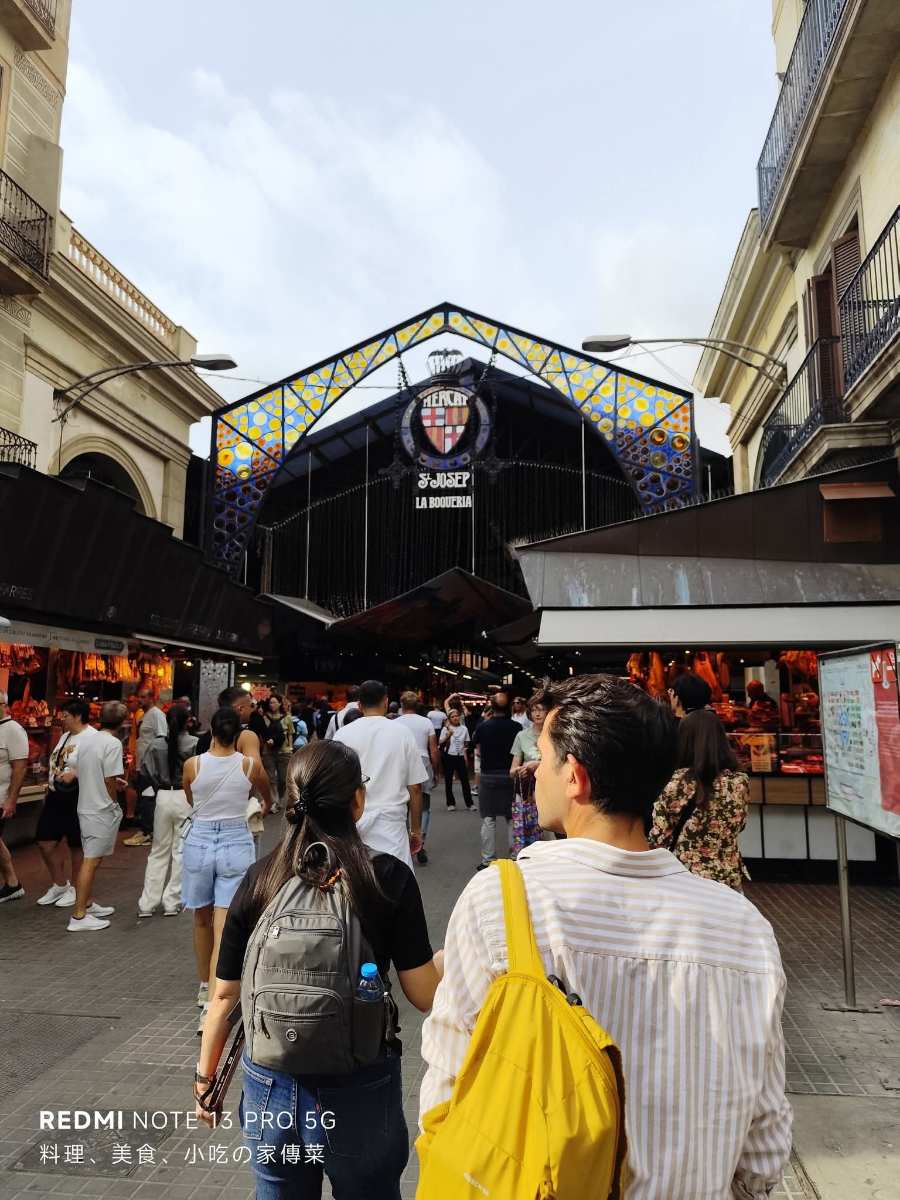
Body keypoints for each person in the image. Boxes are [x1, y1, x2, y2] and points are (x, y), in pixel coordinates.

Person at [420, 674, 792, 1198]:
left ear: (575, 776)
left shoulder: (502, 901)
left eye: (544, 758)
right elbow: (764, 1150)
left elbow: (447, 1086)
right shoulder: (745, 928)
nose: (536, 775)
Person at [195, 740, 441, 1196]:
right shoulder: (385, 876)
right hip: (360, 1082)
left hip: (271, 1080)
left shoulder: (260, 876)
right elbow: (424, 994)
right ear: (357, 800)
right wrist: (447, 960)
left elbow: (224, 996)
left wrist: (206, 1079)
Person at [182, 707, 271, 1032]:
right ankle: (213, 1003)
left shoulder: (193, 764)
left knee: (200, 917)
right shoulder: (249, 765)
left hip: (200, 840)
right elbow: (266, 794)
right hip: (236, 840)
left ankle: (205, 983)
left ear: (211, 732)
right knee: (225, 925)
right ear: (237, 735)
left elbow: (191, 797)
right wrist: (266, 804)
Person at [648, 707, 750, 892]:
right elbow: (740, 825)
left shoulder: (675, 783)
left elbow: (659, 837)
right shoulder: (739, 781)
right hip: (727, 879)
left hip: (684, 878)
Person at [334, 679, 426, 870]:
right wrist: (416, 830)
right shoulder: (402, 734)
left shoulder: (342, 735)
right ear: (386, 701)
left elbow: (334, 784)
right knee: (397, 883)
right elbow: (416, 788)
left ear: (359, 705)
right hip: (392, 826)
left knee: (357, 883)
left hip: (352, 824)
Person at [67, 700, 127, 931]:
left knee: (92, 858)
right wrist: (113, 800)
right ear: (122, 722)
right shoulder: (112, 743)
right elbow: (109, 778)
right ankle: (79, 915)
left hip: (87, 805)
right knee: (91, 860)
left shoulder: (88, 740)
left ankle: (87, 904)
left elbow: (87, 770)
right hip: (100, 808)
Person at [136, 704, 199, 917]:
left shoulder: (155, 745)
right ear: (186, 721)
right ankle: (172, 901)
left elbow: (146, 770)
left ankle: (147, 903)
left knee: (158, 851)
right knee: (181, 851)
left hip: (163, 795)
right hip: (185, 796)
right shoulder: (194, 743)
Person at [34, 700, 96, 907]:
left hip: (77, 797)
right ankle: (60, 884)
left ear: (78, 716)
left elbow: (100, 767)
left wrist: (76, 773)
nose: (62, 719)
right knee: (44, 841)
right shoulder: (65, 736)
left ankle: (78, 890)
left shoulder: (92, 738)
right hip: (55, 795)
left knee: (76, 845)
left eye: (66, 715)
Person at [471, 692, 520, 871]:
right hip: (510, 776)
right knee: (511, 818)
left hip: (488, 776)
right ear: (509, 708)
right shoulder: (517, 728)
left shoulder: (484, 727)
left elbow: (476, 750)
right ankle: (515, 856)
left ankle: (487, 860)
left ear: (491, 707)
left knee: (488, 819)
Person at [398, 690, 440, 865]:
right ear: (417, 706)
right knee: (424, 805)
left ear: (401, 705)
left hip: (401, 763)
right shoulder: (426, 723)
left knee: (404, 806)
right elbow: (434, 749)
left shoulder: (395, 723)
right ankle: (420, 841)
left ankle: (405, 842)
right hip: (423, 762)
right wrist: (436, 770)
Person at [123, 686, 168, 847]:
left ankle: (148, 832)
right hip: (142, 764)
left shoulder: (157, 715)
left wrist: (155, 764)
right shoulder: (144, 716)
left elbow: (162, 739)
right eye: (139, 697)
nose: (140, 700)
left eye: (143, 697)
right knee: (144, 798)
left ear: (151, 698)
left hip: (151, 766)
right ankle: (146, 830)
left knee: (148, 799)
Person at [0, 689, 28, 903]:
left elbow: (19, 767)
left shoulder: (13, 730)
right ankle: (12, 883)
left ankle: (12, 883)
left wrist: (11, 800)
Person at [509, 697, 546, 858]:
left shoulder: (555, 735)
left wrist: (536, 765)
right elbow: (512, 770)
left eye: (541, 709)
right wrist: (521, 770)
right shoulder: (521, 736)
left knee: (547, 835)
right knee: (526, 832)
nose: (537, 713)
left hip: (549, 792)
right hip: (526, 794)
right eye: (534, 710)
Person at [439, 709, 473, 812]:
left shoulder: (464, 729)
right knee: (448, 780)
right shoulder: (445, 729)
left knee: (465, 781)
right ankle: (450, 803)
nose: (455, 718)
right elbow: (440, 742)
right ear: (449, 719)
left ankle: (470, 804)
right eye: (452, 717)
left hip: (460, 756)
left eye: (457, 716)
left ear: (459, 717)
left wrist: (465, 754)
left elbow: (467, 743)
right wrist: (448, 735)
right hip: (449, 756)